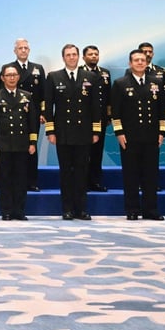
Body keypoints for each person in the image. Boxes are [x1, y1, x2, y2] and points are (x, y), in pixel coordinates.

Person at [43, 44, 100, 221]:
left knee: (82, 172)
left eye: (74, 54)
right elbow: (47, 105)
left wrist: (95, 130)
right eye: (68, 55)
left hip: (83, 132)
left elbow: (95, 106)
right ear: (63, 58)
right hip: (63, 133)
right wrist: (50, 131)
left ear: (79, 57)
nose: (72, 57)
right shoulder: (54, 77)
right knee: (66, 172)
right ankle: (67, 209)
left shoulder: (90, 76)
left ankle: (81, 209)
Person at [112, 49, 165, 220]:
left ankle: (151, 210)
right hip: (129, 137)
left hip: (151, 136)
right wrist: (119, 133)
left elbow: (163, 110)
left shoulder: (156, 82)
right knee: (131, 174)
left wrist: (162, 132)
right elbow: (116, 112)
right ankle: (132, 209)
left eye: (143, 60)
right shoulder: (121, 83)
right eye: (136, 60)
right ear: (130, 63)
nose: (140, 63)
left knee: (151, 174)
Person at [0, 65, 37, 221]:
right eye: (8, 75)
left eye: (14, 75)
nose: (12, 77)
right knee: (5, 179)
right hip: (3, 145)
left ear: (18, 77)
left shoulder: (27, 96)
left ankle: (19, 211)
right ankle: (6, 211)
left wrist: (33, 142)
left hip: (22, 145)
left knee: (21, 179)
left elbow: (32, 121)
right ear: (2, 78)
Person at [0, 38, 45, 192]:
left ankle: (32, 181)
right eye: (20, 48)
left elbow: (43, 93)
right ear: (15, 51)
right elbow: (1, 94)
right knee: (12, 150)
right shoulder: (8, 68)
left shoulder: (37, 68)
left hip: (32, 115)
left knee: (31, 147)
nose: (23, 50)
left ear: (29, 50)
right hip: (12, 116)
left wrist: (43, 112)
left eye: (26, 48)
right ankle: (14, 181)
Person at [80, 45, 112, 192]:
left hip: (100, 119)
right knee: (83, 152)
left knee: (97, 151)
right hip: (83, 119)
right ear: (84, 57)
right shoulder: (79, 72)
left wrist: (109, 115)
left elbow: (109, 97)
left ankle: (96, 181)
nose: (93, 56)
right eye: (90, 54)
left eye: (96, 54)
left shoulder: (105, 73)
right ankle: (83, 182)